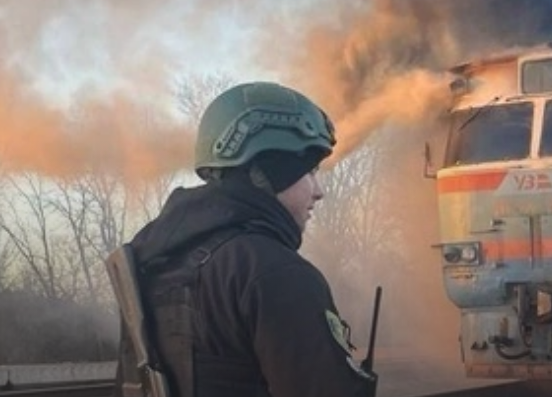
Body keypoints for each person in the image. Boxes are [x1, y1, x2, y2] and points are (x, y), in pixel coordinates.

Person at [117, 81, 378, 397]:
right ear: (271, 171)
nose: (318, 191)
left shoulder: (151, 265)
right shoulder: (275, 273)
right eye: (309, 172)